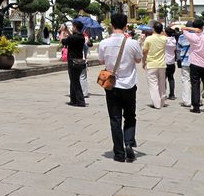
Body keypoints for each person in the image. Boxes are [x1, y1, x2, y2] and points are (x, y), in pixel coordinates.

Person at [97, 13, 142, 162]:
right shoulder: (133, 43)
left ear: (111, 25)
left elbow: (101, 60)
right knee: (130, 116)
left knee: (115, 118)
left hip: (112, 85)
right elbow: (138, 59)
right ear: (125, 26)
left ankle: (119, 152)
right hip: (129, 84)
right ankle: (129, 142)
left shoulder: (104, 43)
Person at [182, 19, 204, 114]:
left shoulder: (191, 36)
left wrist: (193, 29)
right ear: (203, 27)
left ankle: (196, 107)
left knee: (195, 86)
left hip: (194, 64)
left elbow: (183, 29)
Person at [142, 22, 168, 109]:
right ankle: (162, 101)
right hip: (162, 63)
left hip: (151, 63)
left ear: (153, 29)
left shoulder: (149, 39)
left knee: (153, 84)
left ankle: (157, 103)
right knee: (162, 84)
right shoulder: (164, 38)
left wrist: (143, 62)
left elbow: (144, 51)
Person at [62, 20, 87, 106]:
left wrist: (62, 31)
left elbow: (63, 41)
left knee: (75, 82)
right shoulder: (81, 37)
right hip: (79, 61)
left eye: (73, 26)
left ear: (75, 27)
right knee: (73, 81)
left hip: (72, 61)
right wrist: (68, 31)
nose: (72, 28)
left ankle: (80, 101)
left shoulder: (73, 38)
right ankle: (73, 100)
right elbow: (72, 37)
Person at [176, 24, 193, 108]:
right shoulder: (198, 36)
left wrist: (179, 60)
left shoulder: (182, 37)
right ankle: (197, 99)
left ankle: (187, 101)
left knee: (186, 80)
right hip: (195, 62)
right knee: (196, 81)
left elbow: (178, 50)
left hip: (185, 61)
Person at [164, 27, 177, 100]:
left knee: (163, 79)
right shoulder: (174, 40)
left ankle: (163, 93)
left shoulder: (165, 40)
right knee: (171, 78)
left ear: (166, 33)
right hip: (172, 62)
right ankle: (172, 94)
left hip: (165, 61)